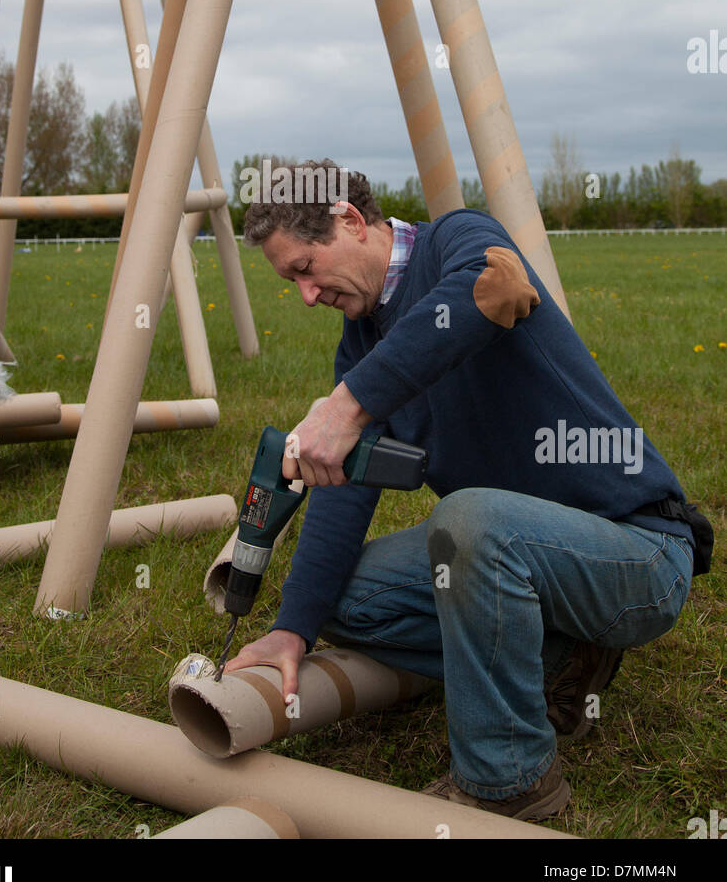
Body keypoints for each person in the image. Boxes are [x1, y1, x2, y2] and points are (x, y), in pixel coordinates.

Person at [224, 160, 700, 822]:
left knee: (468, 519)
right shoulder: (361, 344)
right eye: (291, 283)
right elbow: (343, 491)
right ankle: (562, 654)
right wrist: (291, 630)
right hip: (519, 552)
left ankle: (510, 782)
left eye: (305, 269)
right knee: (343, 599)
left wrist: (349, 405)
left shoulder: (460, 240)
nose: (305, 295)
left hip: (636, 549)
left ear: (350, 222)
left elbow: (498, 288)